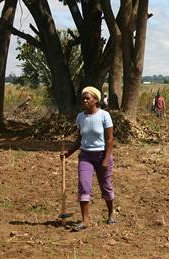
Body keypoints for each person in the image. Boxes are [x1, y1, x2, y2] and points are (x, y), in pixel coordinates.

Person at [61, 86, 115, 232]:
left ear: (96, 100)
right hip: (85, 156)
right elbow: (80, 138)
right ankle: (85, 221)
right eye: (83, 98)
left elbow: (110, 140)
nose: (84, 100)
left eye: (87, 98)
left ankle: (111, 213)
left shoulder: (104, 116)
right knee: (84, 186)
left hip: (102, 155)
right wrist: (68, 153)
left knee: (106, 187)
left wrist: (105, 160)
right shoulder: (80, 117)